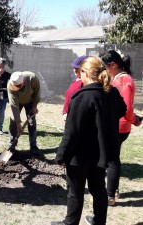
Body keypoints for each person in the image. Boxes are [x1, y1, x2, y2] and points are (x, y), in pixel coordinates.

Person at [52, 56, 126, 225]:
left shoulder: (82, 96)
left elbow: (72, 132)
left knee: (75, 191)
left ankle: (70, 223)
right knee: (98, 189)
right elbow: (122, 110)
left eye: (81, 73)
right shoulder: (111, 92)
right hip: (100, 153)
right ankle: (100, 221)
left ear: (85, 73)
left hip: (79, 155)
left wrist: (61, 155)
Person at [101, 50, 142, 206]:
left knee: (111, 160)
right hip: (116, 124)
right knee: (112, 157)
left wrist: (134, 120)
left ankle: (110, 197)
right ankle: (114, 189)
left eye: (105, 67)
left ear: (113, 65)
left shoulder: (123, 80)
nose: (104, 70)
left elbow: (125, 108)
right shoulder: (118, 78)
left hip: (118, 126)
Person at [7, 71, 41, 155]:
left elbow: (37, 92)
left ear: (24, 82)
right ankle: (12, 144)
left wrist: (34, 106)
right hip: (17, 102)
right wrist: (18, 123)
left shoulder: (32, 78)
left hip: (30, 102)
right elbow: (14, 105)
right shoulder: (11, 85)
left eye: (18, 86)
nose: (16, 87)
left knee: (31, 123)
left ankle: (33, 146)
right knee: (13, 121)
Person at [62, 55, 88, 120]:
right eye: (73, 67)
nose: (74, 70)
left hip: (76, 117)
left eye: (77, 68)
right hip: (69, 115)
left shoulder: (85, 83)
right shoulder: (75, 81)